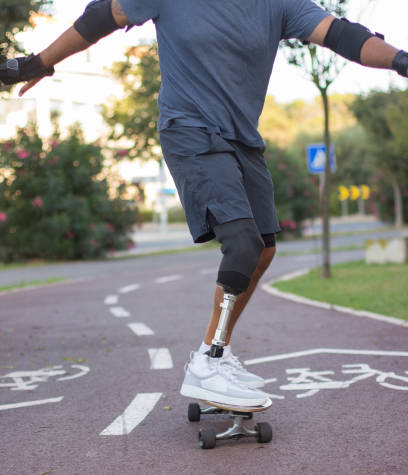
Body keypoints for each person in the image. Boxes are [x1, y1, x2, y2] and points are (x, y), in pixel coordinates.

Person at [1, 0, 407, 406]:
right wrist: (38, 62)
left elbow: (345, 37)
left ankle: (216, 353)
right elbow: (102, 18)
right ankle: (208, 364)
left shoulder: (278, 3)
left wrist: (400, 60)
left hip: (242, 139)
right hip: (190, 130)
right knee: (243, 242)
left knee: (263, 248)